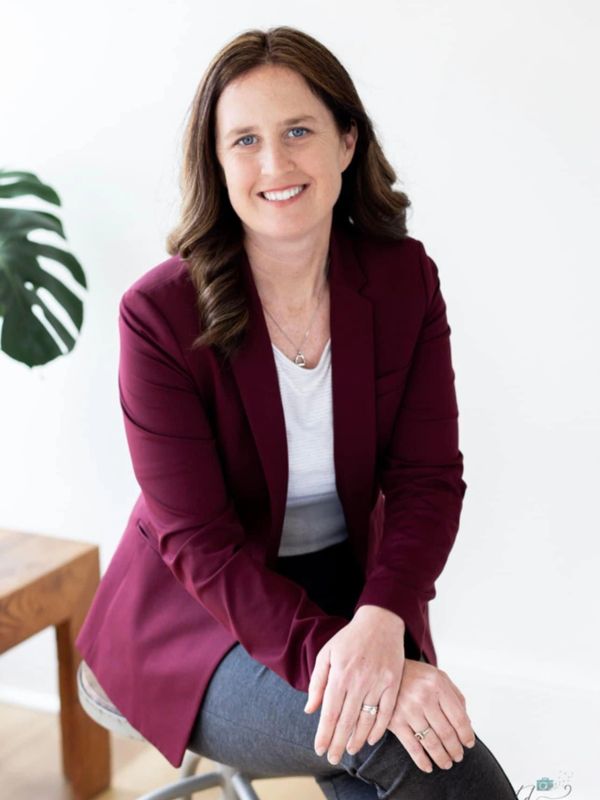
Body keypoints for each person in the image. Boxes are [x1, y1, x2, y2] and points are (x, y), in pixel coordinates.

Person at [75, 25, 518, 800]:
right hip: (198, 626)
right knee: (423, 753)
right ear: (217, 163)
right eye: (244, 139)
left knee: (416, 764)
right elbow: (201, 546)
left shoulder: (403, 280)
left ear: (348, 143)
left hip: (353, 599)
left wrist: (381, 619)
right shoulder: (159, 315)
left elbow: (427, 481)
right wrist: (343, 661)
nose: (275, 163)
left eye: (299, 131)